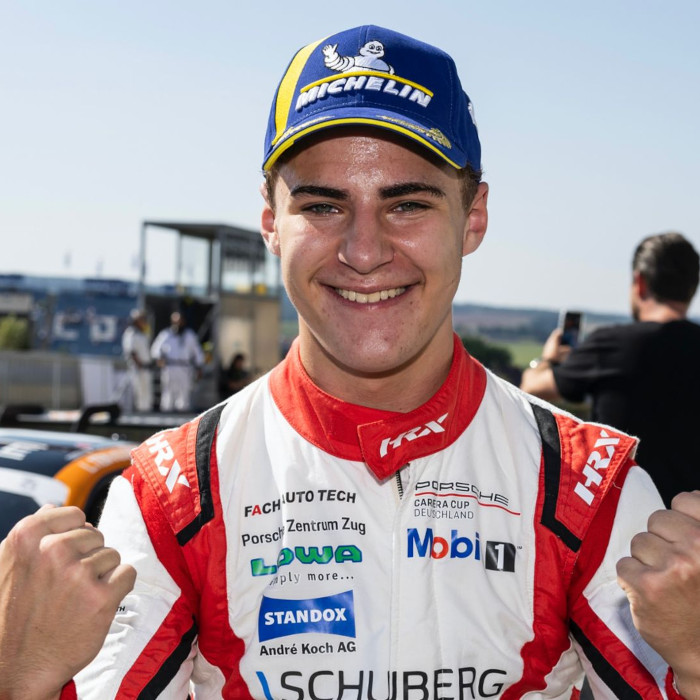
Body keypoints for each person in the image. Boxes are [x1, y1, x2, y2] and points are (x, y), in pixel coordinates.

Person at [3, 24, 700, 700]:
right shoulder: (174, 493)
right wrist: (21, 681)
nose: (364, 252)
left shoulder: (588, 485)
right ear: (272, 222)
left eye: (408, 204)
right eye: (324, 206)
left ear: (473, 217)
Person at [521, 232, 700, 507]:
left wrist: (547, 359)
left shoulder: (613, 345)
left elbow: (532, 388)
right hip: (688, 518)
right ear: (692, 288)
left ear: (640, 282)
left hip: (616, 516)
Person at [150, 310, 205, 412]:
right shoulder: (165, 334)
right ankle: (166, 411)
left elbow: (197, 352)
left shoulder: (190, 335)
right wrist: (158, 358)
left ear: (183, 322)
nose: (177, 324)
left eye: (179, 321)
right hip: (169, 366)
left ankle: (182, 412)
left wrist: (199, 366)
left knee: (184, 391)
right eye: (175, 322)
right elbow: (155, 349)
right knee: (168, 391)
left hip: (185, 367)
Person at [120, 308, 153, 412]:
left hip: (145, 368)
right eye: (142, 319)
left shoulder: (141, 333)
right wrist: (139, 365)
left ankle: (146, 411)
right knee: (139, 392)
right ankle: (140, 413)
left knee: (146, 392)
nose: (144, 321)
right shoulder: (131, 333)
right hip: (138, 368)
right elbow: (131, 352)